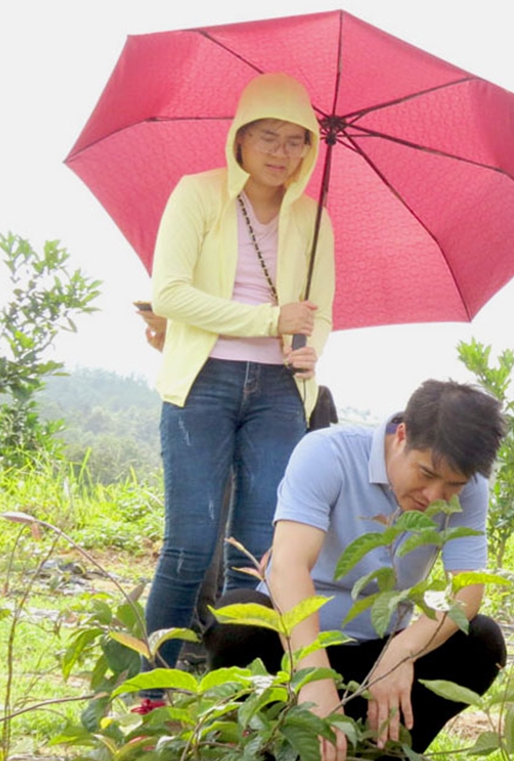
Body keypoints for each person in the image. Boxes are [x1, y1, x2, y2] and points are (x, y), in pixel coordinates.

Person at [138, 72, 335, 705]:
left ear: (310, 149)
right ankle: (153, 696)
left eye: (297, 141)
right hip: (204, 381)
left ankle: (233, 704)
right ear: (240, 140)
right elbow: (169, 293)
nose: (283, 152)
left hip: (281, 392)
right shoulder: (197, 197)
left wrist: (309, 347)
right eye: (268, 137)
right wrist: (265, 321)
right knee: (190, 543)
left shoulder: (314, 217)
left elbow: (320, 311)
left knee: (259, 554)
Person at [205, 379, 509, 761]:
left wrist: (403, 651)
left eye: (452, 486)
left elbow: (467, 592)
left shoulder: (469, 490)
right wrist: (312, 676)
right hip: (296, 646)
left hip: (377, 656)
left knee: (481, 642)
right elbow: (289, 567)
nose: (435, 496)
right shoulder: (327, 454)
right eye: (426, 474)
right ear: (402, 435)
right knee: (236, 621)